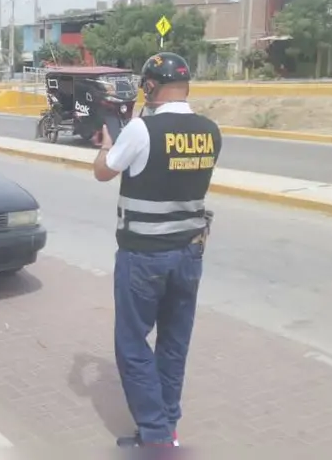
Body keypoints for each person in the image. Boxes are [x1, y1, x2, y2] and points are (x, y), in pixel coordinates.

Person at [92, 52, 222, 448]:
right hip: (189, 254)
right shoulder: (210, 130)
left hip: (144, 256)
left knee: (132, 344)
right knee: (173, 343)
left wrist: (105, 146)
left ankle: (156, 435)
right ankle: (168, 422)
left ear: (150, 86)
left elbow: (104, 171)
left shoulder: (141, 129)